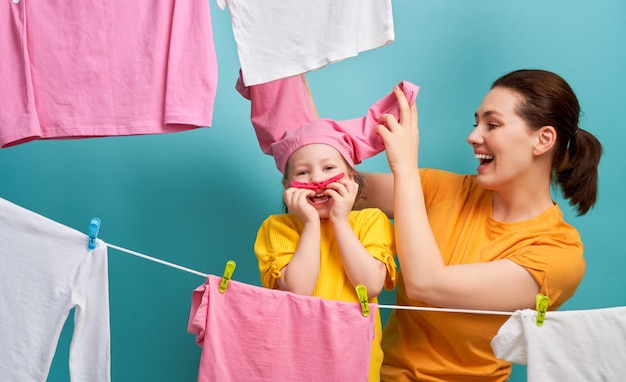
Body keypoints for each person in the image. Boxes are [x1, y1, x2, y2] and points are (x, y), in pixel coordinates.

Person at [363, 69, 603, 381]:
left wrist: (405, 167)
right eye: (476, 123)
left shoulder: (557, 256)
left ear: (543, 139)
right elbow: (326, 181)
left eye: (492, 124)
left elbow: (427, 284)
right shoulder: (439, 189)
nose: (474, 136)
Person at [239, 73, 419, 381]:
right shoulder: (278, 228)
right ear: (287, 185)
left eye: (329, 168)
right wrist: (309, 223)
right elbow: (299, 290)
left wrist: (339, 220)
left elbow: (370, 285)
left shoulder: (370, 221)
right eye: (303, 172)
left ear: (350, 176)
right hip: (295, 361)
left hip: (358, 361)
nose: (316, 179)